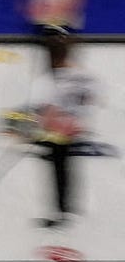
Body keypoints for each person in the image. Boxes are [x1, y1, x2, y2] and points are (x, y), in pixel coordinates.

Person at [32, 36, 100, 230]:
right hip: (73, 128)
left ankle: (60, 212)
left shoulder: (46, 81)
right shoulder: (82, 76)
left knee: (58, 172)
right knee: (68, 169)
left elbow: (46, 111)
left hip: (56, 132)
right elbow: (91, 96)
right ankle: (70, 208)